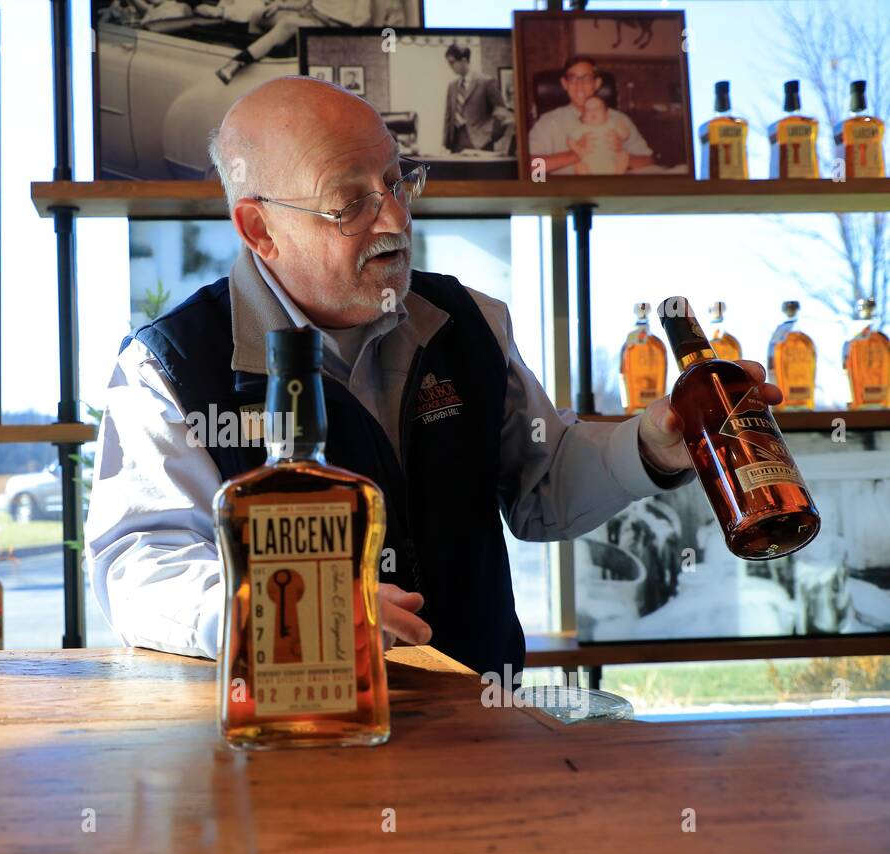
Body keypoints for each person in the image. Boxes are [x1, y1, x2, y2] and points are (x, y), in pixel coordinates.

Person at [84, 76, 786, 678]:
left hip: (480, 723)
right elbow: (140, 568)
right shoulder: (167, 366)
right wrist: (293, 612)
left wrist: (654, 444)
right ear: (259, 229)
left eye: (395, 182)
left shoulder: (466, 321)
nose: (394, 218)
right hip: (294, 736)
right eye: (349, 202)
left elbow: (543, 486)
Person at [527, 54, 653, 175]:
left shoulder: (619, 119)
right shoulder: (549, 122)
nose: (580, 86)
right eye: (573, 79)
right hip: (568, 193)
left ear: (596, 84)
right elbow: (530, 167)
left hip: (611, 190)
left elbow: (649, 162)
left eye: (587, 79)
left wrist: (621, 155)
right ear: (565, 84)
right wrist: (575, 154)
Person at [216, 1, 373, 85]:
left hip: (332, 28)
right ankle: (252, 60)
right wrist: (281, 4)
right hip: (312, 16)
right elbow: (306, 2)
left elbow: (363, 18)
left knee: (288, 24)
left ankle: (240, 61)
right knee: (260, 15)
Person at [441, 43, 513, 153]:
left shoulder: (486, 82)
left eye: (452, 62)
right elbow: (448, 117)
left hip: (480, 142)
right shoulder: (452, 86)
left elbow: (502, 114)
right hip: (456, 143)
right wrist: (445, 144)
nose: (450, 66)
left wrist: (489, 136)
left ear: (464, 60)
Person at [567, 95, 631, 174]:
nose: (592, 112)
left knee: (624, 155)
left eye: (597, 108)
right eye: (588, 110)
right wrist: (578, 149)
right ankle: (587, 182)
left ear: (606, 114)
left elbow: (625, 136)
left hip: (611, 163)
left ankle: (617, 177)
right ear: (584, 117)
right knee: (578, 164)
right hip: (589, 165)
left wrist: (621, 128)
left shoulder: (611, 124)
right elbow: (570, 139)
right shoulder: (583, 128)